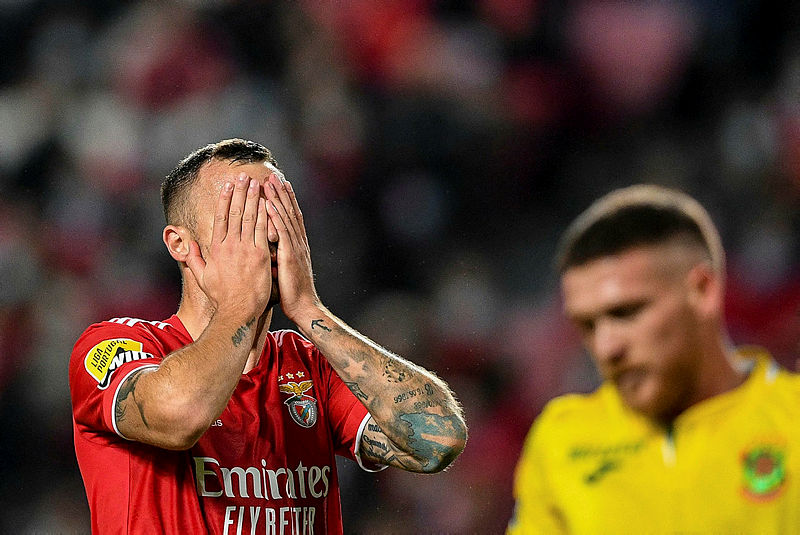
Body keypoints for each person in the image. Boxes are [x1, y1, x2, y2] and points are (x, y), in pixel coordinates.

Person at [69, 138, 467, 534]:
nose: (269, 234)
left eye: (278, 211)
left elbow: (438, 442)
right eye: (240, 216)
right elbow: (181, 417)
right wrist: (241, 303)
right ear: (180, 244)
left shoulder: (311, 367)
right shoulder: (116, 346)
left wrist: (309, 310)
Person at [508, 184, 800, 534]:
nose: (606, 348)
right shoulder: (561, 440)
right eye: (587, 325)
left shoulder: (791, 418)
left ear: (703, 290)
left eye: (626, 312)